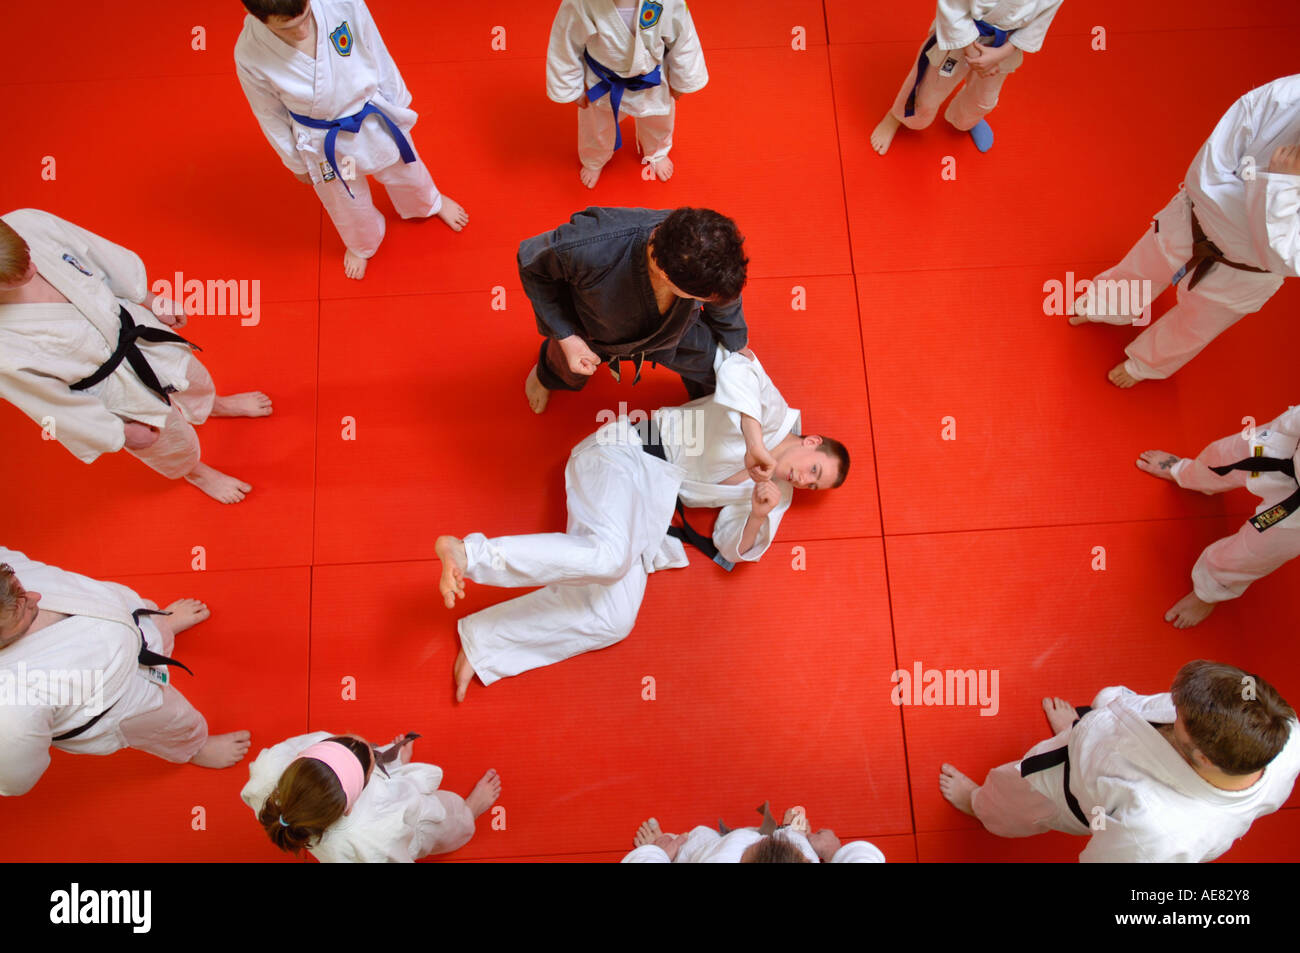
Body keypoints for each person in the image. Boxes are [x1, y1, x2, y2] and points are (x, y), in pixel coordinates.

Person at [436, 347, 850, 701]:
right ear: (811, 442)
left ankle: (484, 644)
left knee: (614, 618)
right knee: (610, 557)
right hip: (625, 455)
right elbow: (738, 364)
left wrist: (758, 513)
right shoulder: (772, 412)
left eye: (814, 484)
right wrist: (755, 440)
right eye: (814, 469)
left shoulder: (774, 494)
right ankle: (468, 553)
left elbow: (730, 547)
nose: (804, 479)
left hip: (645, 509)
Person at [0, 209, 271, 504]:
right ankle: (195, 471)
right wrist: (120, 432)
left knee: (192, 375)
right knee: (165, 439)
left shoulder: (28, 223)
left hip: (132, 330)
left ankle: (213, 405)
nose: (31, 268)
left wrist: (148, 298)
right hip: (106, 385)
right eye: (15, 277)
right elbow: (48, 403)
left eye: (26, 253)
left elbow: (99, 254)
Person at [939, 661, 1300, 862]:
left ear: (1202, 757)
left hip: (1068, 792)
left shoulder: (1155, 834)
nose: (1173, 710)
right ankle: (1080, 731)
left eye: (1178, 718)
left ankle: (980, 805)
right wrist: (1088, 727)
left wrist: (1089, 745)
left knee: (1010, 795)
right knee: (1088, 732)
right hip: (1100, 744)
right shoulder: (1283, 734)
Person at [1070, 75, 1300, 387]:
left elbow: (1288, 259)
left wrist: (1281, 188)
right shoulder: (1286, 97)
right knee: (1140, 269)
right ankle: (1107, 305)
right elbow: (1204, 178)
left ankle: (1145, 364)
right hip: (1193, 223)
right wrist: (1261, 229)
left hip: (1246, 273)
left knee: (1195, 325)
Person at [234, 0, 469, 280]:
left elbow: (375, 49)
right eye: (287, 27)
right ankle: (362, 242)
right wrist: (294, 162)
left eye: (305, 17)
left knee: (402, 165)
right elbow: (268, 113)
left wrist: (398, 103)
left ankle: (427, 202)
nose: (302, 32)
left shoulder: (340, 3)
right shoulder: (249, 53)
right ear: (254, 15)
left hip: (370, 115)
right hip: (323, 138)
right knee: (345, 195)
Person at [0, 547, 250, 797]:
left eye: (19, 585)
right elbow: (15, 776)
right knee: (175, 720)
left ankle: (163, 629)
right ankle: (195, 747)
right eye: (22, 609)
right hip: (121, 702)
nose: (36, 595)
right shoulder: (10, 707)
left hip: (121, 618)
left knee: (150, 625)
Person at [519, 206, 748, 415]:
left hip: (672, 330)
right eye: (700, 297)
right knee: (566, 366)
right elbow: (531, 265)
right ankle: (545, 378)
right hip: (594, 328)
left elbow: (724, 298)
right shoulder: (589, 244)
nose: (709, 301)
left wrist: (737, 344)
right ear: (665, 275)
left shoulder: (705, 249)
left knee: (719, 366)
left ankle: (711, 408)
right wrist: (566, 336)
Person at [1135, 404, 1300, 628]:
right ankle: (1190, 474)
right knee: (1223, 456)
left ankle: (1210, 589)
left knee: (1253, 553)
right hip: (1290, 441)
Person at [241, 730, 501, 863]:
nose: (360, 740)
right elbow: (415, 806)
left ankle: (392, 767)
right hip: (399, 828)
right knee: (444, 819)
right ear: (349, 809)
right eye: (371, 766)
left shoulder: (269, 771)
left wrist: (384, 763)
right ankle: (468, 813)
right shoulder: (376, 835)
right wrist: (401, 777)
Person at [546, 0, 708, 188]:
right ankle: (594, 158)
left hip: (651, 79)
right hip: (603, 81)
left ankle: (657, 152)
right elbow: (565, 42)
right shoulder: (582, 3)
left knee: (657, 120)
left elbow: (683, 38)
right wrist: (570, 87)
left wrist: (682, 80)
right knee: (596, 127)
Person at [871, 0, 1063, 155]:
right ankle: (896, 116)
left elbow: (1038, 25)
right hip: (962, 35)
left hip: (1005, 46)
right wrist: (971, 52)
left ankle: (966, 120)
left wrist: (1002, 53)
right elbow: (952, 8)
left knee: (984, 98)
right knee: (928, 88)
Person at [621, 806, 886, 863]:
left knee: (695, 841)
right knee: (793, 839)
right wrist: (833, 851)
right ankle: (790, 834)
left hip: (706, 852)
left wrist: (656, 853)